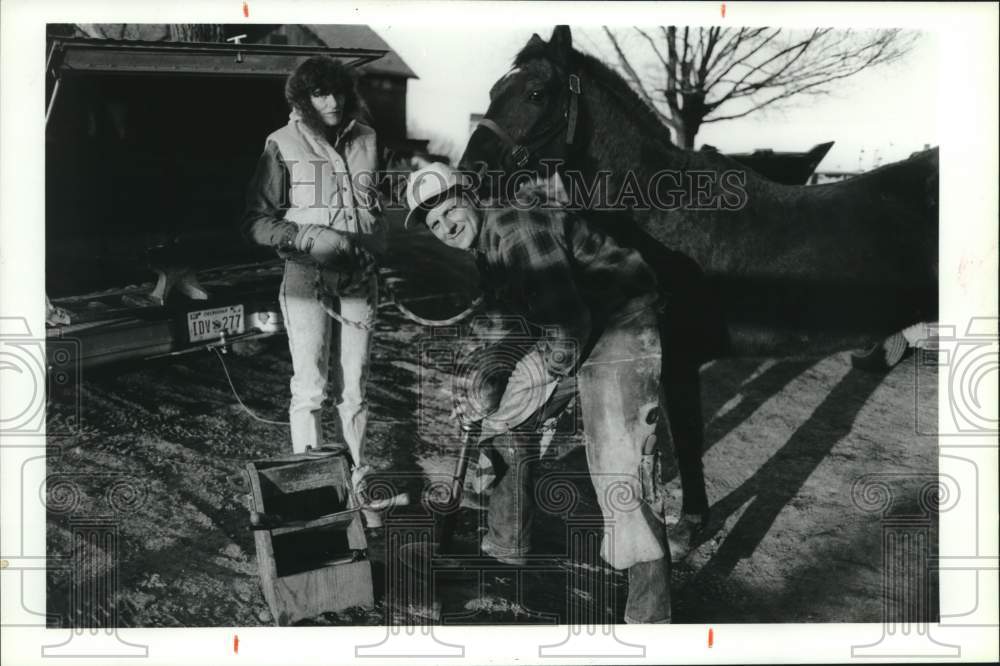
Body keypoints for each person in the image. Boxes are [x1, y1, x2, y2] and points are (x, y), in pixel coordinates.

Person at [403, 163, 672, 623]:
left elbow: (566, 329)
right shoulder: (487, 244)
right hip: (575, 323)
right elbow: (508, 324)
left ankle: (651, 613)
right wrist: (484, 386)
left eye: (450, 211)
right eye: (435, 225)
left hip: (620, 320)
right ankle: (507, 547)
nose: (447, 228)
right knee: (502, 415)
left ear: (470, 196)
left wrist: (529, 386)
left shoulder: (514, 230)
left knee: (622, 458)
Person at [241, 56, 384, 480]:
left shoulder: (369, 138)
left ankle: (358, 482)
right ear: (303, 100)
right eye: (320, 93)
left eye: (338, 91)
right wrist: (305, 237)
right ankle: (316, 483)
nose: (333, 100)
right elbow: (254, 221)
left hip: (360, 279)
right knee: (310, 389)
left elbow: (375, 207)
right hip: (307, 279)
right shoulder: (282, 142)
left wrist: (378, 243)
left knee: (355, 390)